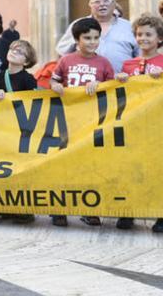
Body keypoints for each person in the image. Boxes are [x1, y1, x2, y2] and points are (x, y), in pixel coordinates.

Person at [113, 14, 163, 233]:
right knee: (131, 169)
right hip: (133, 125)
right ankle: (128, 211)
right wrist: (119, 79)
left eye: (148, 34)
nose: (143, 38)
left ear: (159, 39)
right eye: (139, 34)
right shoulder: (127, 64)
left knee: (159, 170)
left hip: (160, 127)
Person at [49, 17, 115, 228]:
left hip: (93, 121)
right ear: (77, 39)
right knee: (63, 164)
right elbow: (54, 80)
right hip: (68, 119)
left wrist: (100, 83)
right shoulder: (66, 60)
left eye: (96, 37)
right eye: (87, 38)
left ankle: (90, 209)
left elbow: (113, 88)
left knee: (89, 165)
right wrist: (55, 86)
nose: (92, 42)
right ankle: (60, 209)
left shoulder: (104, 63)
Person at [0, 39, 38, 224]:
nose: (13, 51)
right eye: (12, 48)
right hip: (6, 128)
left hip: (22, 129)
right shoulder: (1, 75)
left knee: (23, 169)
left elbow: (34, 101)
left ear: (26, 62)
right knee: (6, 166)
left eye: (19, 52)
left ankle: (25, 209)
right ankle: (8, 206)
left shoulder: (28, 78)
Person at [56, 0, 138, 72]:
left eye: (106, 1)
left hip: (122, 81)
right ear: (90, 5)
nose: (102, 4)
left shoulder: (129, 26)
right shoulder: (78, 25)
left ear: (114, 4)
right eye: (97, 2)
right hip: (86, 82)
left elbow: (141, 55)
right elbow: (62, 53)